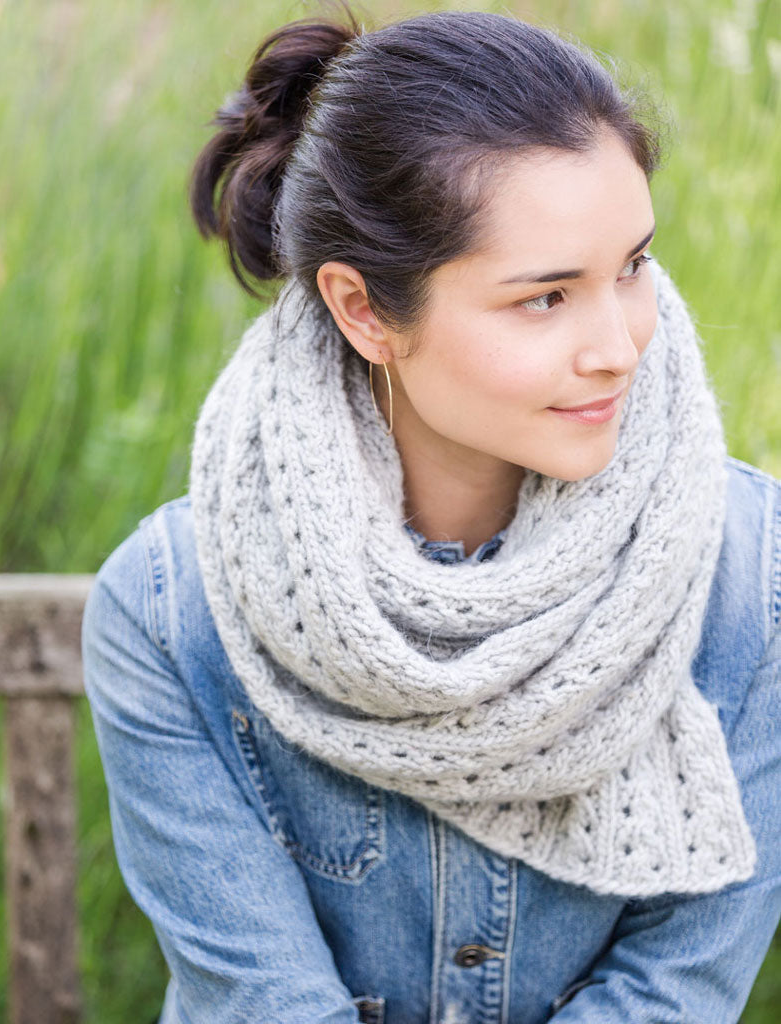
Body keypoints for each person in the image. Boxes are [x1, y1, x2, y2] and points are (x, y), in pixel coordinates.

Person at [81, 8, 781, 1023]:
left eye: (630, 266)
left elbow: (678, 993)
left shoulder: (751, 572)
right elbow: (265, 1004)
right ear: (364, 310)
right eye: (544, 297)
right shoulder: (169, 611)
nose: (620, 345)